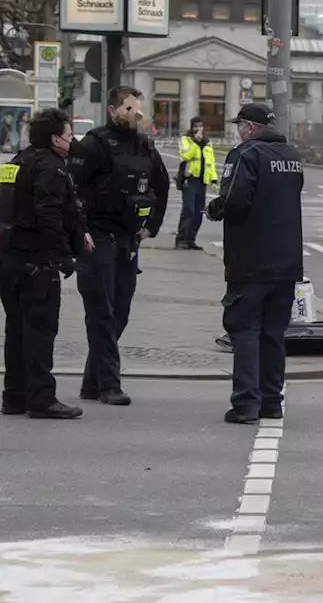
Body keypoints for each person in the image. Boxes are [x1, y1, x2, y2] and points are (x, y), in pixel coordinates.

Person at [70, 86, 170, 407]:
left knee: (120, 313)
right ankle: (110, 385)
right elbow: (70, 189)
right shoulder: (95, 144)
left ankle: (91, 382)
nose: (136, 114)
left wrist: (150, 227)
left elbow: (162, 185)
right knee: (102, 312)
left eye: (138, 109)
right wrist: (79, 231)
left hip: (128, 239)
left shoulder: (144, 146)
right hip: (97, 236)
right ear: (113, 110)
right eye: (129, 108)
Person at [206, 103, 304, 424]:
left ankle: (246, 403)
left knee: (244, 329)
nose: (237, 131)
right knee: (274, 333)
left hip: (251, 259)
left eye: (239, 126)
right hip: (287, 261)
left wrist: (215, 208)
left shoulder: (245, 155)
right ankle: (271, 401)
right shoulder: (292, 157)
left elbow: (235, 198)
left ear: (249, 127)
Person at [0, 108, 91, 419]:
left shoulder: (17, 162)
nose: (71, 141)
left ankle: (14, 396)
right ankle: (41, 397)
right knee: (40, 330)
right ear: (55, 139)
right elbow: (49, 214)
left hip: (9, 259)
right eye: (68, 135)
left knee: (16, 330)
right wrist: (64, 255)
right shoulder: (52, 168)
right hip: (37, 261)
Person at [175, 117, 217, 250]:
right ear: (192, 127)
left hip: (202, 181)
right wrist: (195, 142)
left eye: (201, 126)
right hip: (189, 179)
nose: (199, 129)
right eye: (196, 126)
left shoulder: (207, 143)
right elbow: (185, 156)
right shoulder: (186, 140)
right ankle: (181, 239)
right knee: (189, 210)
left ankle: (190, 239)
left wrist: (213, 180)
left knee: (199, 212)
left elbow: (211, 163)